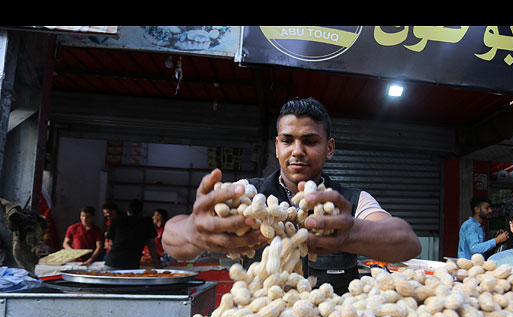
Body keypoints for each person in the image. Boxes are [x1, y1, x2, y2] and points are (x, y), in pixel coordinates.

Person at [163, 97, 422, 294]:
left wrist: (351, 232)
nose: (297, 150)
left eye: (310, 141)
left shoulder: (351, 202)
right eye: (287, 141)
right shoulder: (246, 194)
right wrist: (193, 232)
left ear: (329, 148)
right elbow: (171, 239)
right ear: (276, 147)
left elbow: (407, 242)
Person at [105, 199, 160, 270]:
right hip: (131, 264)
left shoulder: (116, 221)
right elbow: (151, 245)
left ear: (127, 209)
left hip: (112, 262)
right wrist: (156, 263)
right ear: (141, 210)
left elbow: (111, 244)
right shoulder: (146, 223)